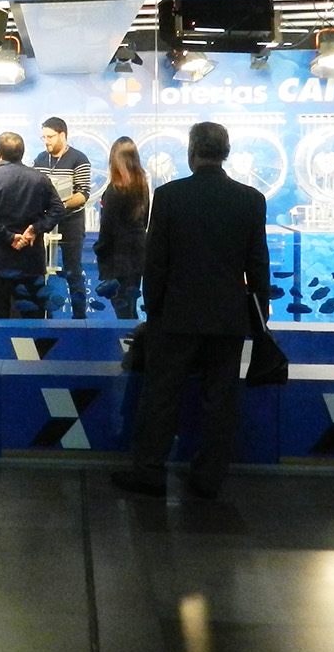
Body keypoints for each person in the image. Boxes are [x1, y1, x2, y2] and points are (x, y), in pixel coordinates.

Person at [112, 121, 269, 499]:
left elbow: (157, 262)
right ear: (226, 152)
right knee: (220, 401)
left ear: (192, 150)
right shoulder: (251, 199)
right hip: (228, 318)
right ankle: (208, 478)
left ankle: (150, 472)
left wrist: (154, 308)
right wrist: (260, 319)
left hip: (176, 316)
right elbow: (257, 265)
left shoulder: (170, 196)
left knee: (162, 396)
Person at [0, 132, 65, 319]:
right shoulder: (40, 179)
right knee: (34, 322)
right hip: (30, 261)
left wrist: (9, 237)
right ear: (22, 153)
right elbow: (58, 210)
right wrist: (35, 229)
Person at [33, 117, 93, 318]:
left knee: (73, 271)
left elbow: (83, 193)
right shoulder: (40, 159)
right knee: (39, 270)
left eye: (50, 136)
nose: (46, 141)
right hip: (45, 221)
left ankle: (79, 318)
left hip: (71, 222)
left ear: (63, 135)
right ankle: (40, 316)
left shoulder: (79, 159)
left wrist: (61, 205)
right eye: (43, 137)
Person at [93, 136, 150, 319]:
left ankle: (129, 346)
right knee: (130, 306)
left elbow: (107, 227)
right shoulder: (142, 186)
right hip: (138, 254)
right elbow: (145, 221)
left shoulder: (115, 189)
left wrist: (99, 249)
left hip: (117, 257)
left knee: (122, 310)